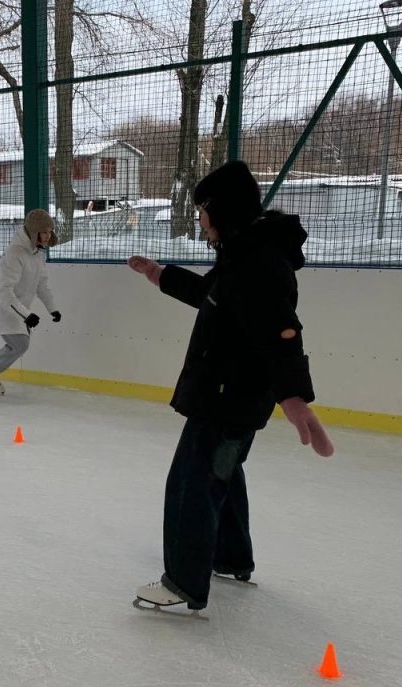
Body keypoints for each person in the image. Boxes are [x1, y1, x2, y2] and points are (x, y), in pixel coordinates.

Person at [129, 160, 334, 613]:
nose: (200, 219)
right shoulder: (244, 253)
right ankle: (231, 557)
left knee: (192, 484)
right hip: (229, 398)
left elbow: (281, 332)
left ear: (222, 211)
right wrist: (159, 274)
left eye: (203, 209)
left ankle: (183, 582)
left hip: (227, 400)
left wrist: (296, 399)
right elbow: (212, 296)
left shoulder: (259, 264)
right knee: (224, 475)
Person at [0, 208, 62, 397]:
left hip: (18, 308)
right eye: (44, 231)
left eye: (50, 231)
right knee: (20, 344)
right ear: (34, 232)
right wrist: (26, 314)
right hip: (4, 306)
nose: (48, 236)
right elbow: (3, 291)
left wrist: (52, 308)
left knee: (20, 344)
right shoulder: (14, 253)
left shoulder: (36, 253)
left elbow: (42, 285)